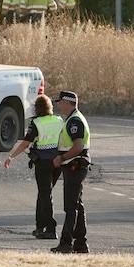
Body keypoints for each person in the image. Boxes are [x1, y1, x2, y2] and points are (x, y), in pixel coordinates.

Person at [2, 93, 63, 239]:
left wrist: (11, 156)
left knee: (45, 195)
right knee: (44, 194)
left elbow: (25, 143)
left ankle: (50, 228)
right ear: (50, 107)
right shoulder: (59, 120)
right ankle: (40, 226)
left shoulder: (36, 123)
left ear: (37, 109)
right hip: (58, 162)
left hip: (43, 163)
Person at [50, 90, 90, 254]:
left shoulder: (74, 121)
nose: (58, 105)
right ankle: (81, 244)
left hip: (74, 166)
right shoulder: (75, 118)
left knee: (70, 207)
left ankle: (66, 243)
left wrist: (62, 158)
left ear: (67, 103)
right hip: (75, 166)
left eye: (60, 102)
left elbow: (78, 146)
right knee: (77, 206)